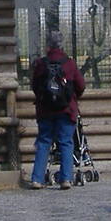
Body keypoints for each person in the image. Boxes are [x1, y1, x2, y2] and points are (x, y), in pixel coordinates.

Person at [28, 31, 86, 190]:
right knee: (66, 143)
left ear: (47, 45)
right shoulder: (70, 63)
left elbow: (35, 86)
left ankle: (37, 179)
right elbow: (81, 86)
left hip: (45, 111)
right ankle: (66, 179)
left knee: (43, 142)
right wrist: (72, 98)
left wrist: (44, 99)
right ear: (62, 45)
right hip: (66, 110)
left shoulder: (40, 64)